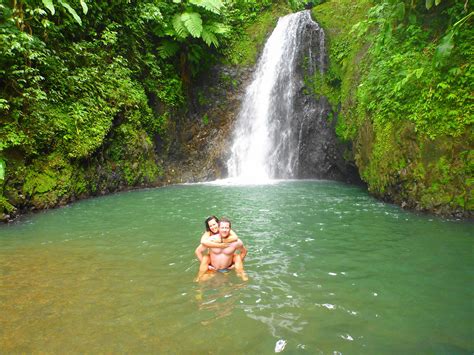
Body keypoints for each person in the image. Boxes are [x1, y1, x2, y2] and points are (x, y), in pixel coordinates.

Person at [195, 217, 248, 282]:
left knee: (237, 257)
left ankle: (243, 277)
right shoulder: (211, 239)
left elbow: (244, 251)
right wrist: (208, 266)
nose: (224, 230)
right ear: (219, 228)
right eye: (222, 228)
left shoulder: (236, 241)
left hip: (228, 267)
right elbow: (198, 250)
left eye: (226, 228)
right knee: (205, 259)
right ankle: (199, 279)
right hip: (213, 267)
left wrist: (234, 265)